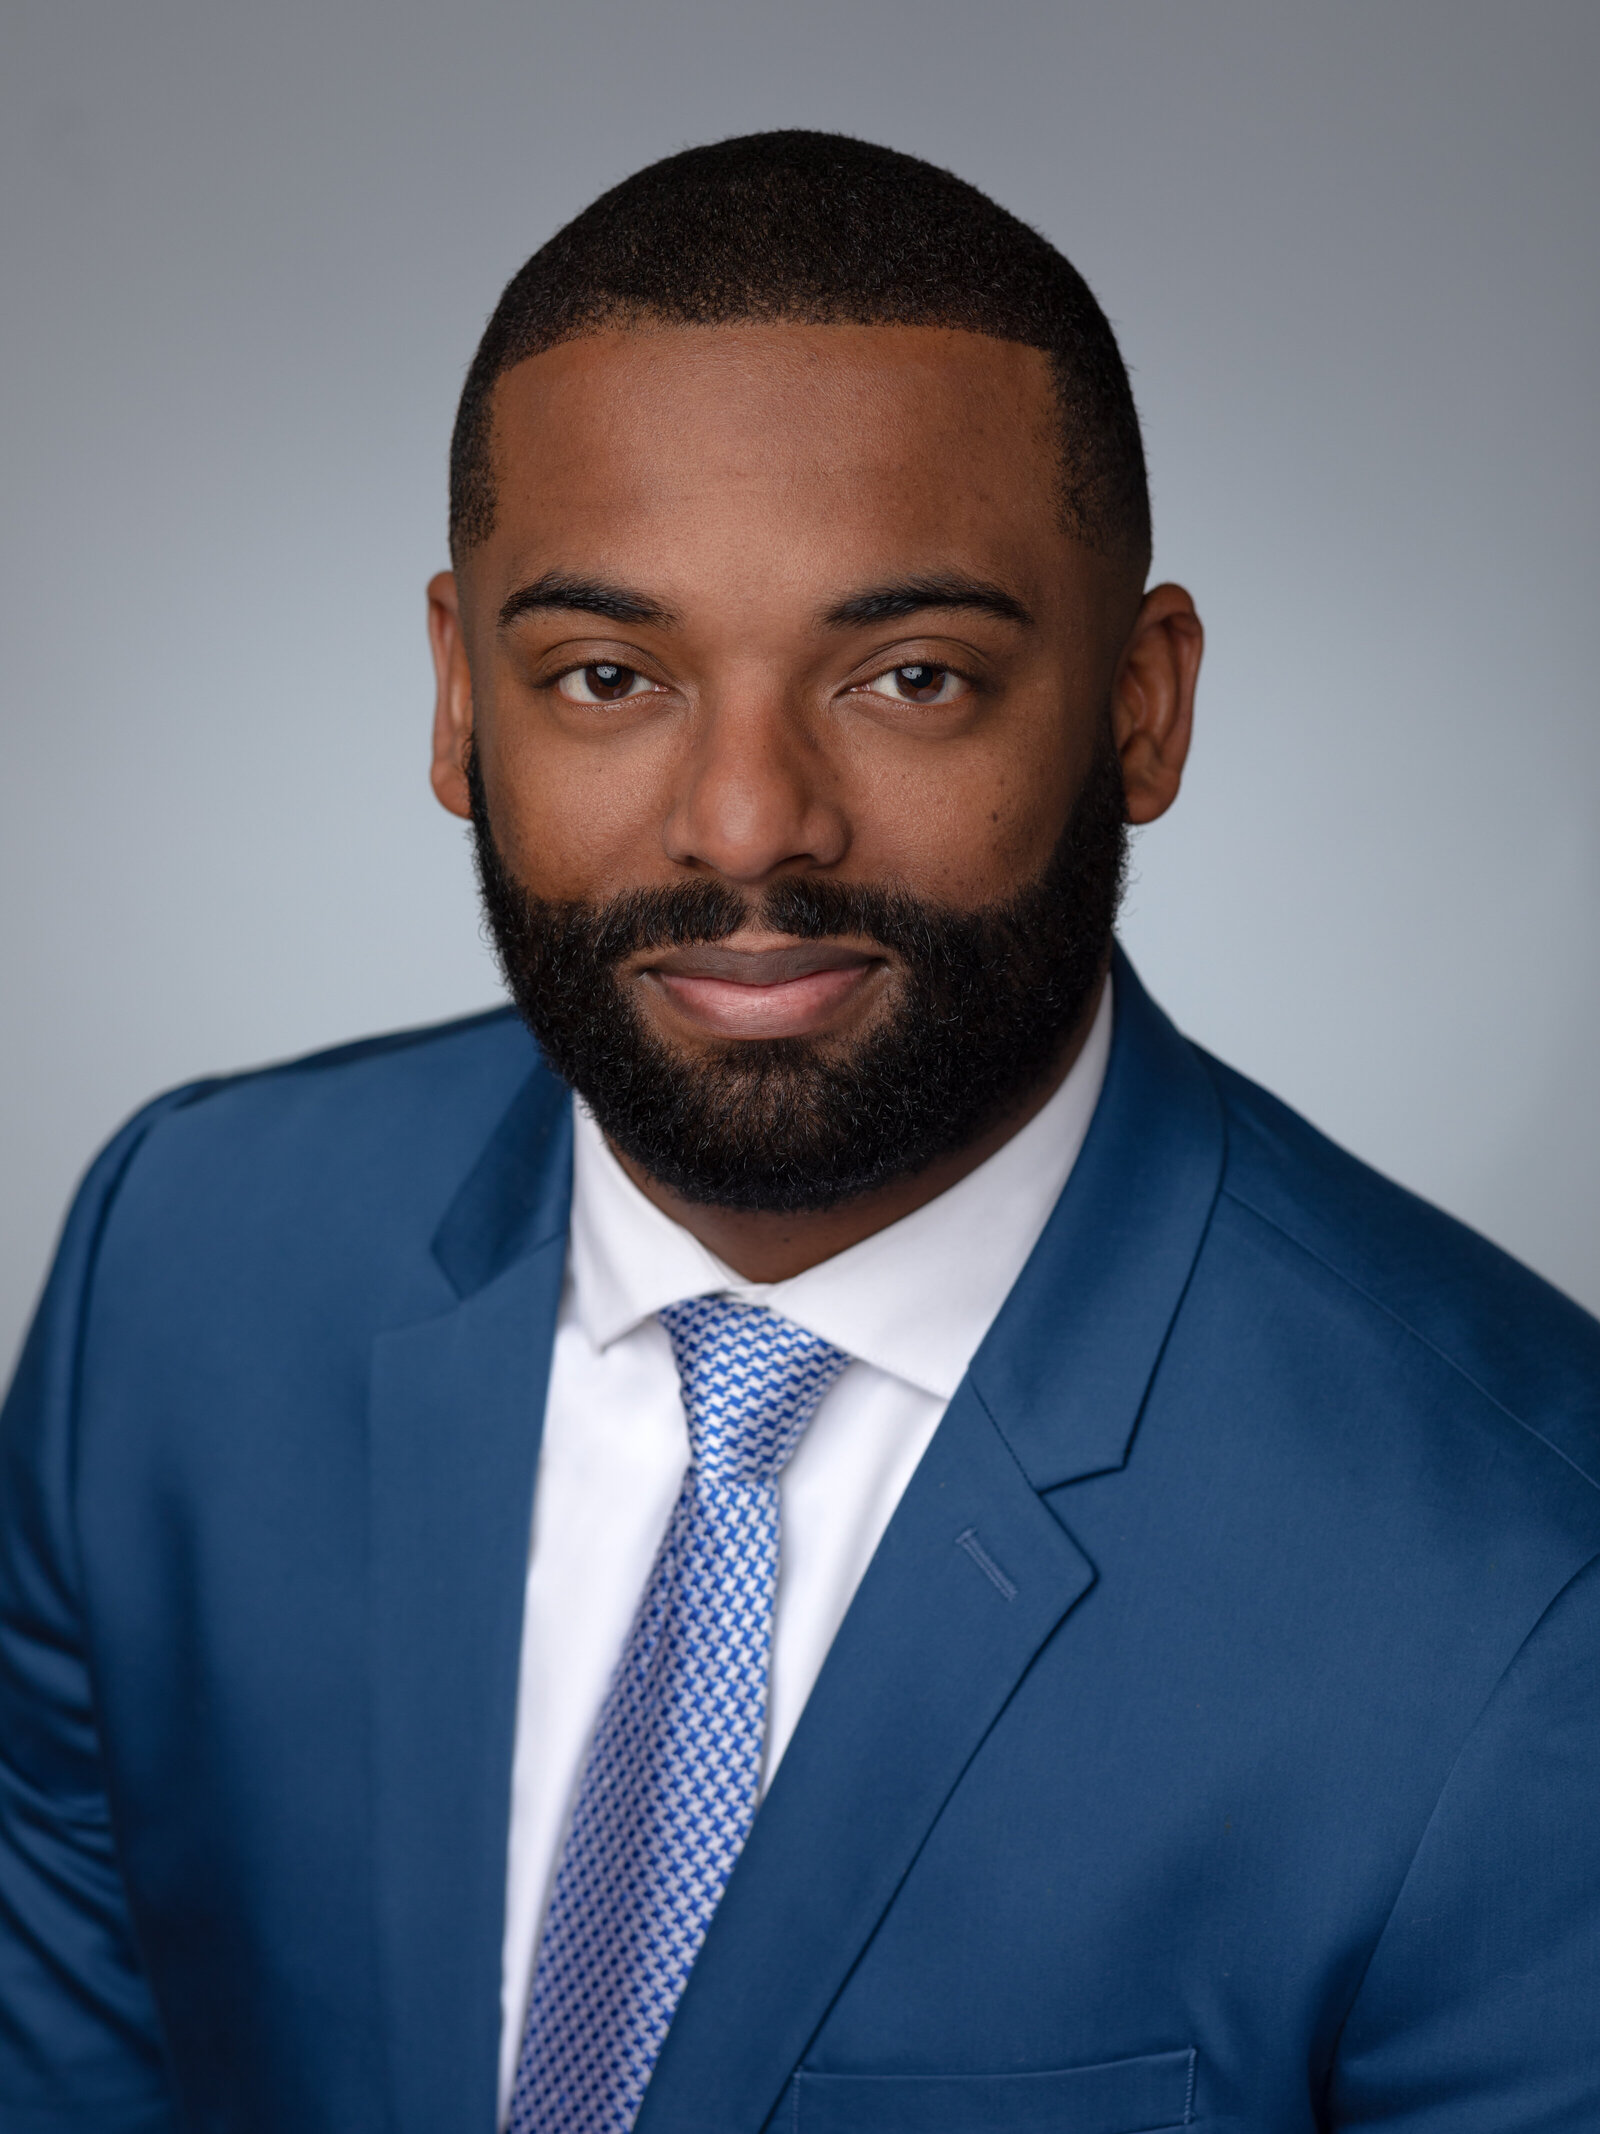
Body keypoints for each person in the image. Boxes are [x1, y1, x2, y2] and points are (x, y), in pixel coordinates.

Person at [3, 129, 1598, 2134]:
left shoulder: (1532, 1587)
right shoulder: (179, 1274)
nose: (748, 821)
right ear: (454, 698)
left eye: (908, 675)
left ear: (1139, 705)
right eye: (605, 675)